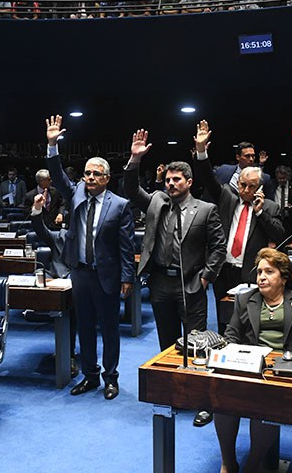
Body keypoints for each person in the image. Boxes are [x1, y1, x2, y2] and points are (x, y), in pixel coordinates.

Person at [123, 127, 225, 426]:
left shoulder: (205, 210)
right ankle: (174, 392)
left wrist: (206, 277)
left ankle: (203, 399)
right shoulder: (156, 201)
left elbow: (218, 248)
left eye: (176, 179)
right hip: (160, 283)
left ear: (189, 182)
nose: (170, 184)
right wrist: (134, 159)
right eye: (167, 180)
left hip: (191, 282)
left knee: (197, 344)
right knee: (167, 342)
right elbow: (131, 191)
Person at [44, 115, 135, 400]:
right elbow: (58, 177)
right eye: (87, 173)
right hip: (80, 273)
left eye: (96, 174)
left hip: (106, 274)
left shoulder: (120, 206)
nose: (91, 178)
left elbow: (126, 245)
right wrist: (52, 145)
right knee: (84, 326)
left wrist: (127, 277)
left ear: (107, 178)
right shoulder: (76, 196)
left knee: (109, 328)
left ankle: (111, 377)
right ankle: (89, 375)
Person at [216, 248, 292, 473]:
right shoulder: (246, 299)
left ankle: (252, 466)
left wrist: (289, 365)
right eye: (259, 272)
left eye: (269, 272)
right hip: (248, 369)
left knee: (264, 408)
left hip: (283, 374)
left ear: (283, 278)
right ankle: (228, 462)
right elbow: (231, 336)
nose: (261, 277)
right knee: (222, 403)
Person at [193, 120, 285, 334]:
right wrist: (200, 150)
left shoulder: (270, 207)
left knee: (251, 322)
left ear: (259, 187)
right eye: (242, 185)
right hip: (223, 269)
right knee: (225, 320)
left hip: (251, 273)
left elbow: (279, 235)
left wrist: (260, 213)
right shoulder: (227, 197)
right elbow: (208, 179)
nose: (244, 190)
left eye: (251, 187)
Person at [29, 192, 78, 378]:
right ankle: (67, 352)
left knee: (72, 310)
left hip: (79, 287)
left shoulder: (92, 239)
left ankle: (69, 354)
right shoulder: (59, 237)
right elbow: (40, 229)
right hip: (55, 284)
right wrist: (37, 209)